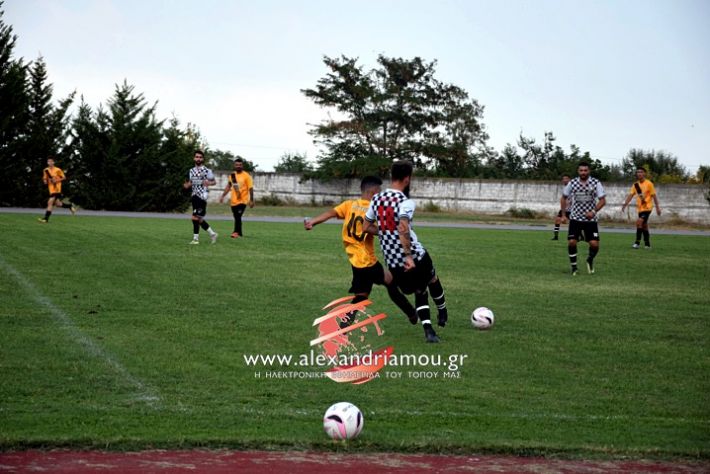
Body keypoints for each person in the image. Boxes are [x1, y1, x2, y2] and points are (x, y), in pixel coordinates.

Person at [304, 176, 417, 327]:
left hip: (355, 260)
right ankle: (411, 313)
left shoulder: (349, 205)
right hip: (367, 260)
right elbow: (380, 229)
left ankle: (344, 326)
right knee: (390, 282)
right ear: (374, 192)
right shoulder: (374, 209)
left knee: (362, 296)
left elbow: (331, 213)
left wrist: (312, 221)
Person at [363, 161, 447, 343]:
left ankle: (430, 330)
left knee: (418, 290)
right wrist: (408, 256)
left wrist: (385, 232)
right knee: (430, 280)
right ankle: (442, 311)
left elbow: (366, 226)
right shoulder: (405, 202)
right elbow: (403, 227)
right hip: (414, 254)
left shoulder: (376, 199)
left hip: (392, 261)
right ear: (407, 179)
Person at [560, 161, 606, 276]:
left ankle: (590, 260)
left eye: (585, 170)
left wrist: (593, 211)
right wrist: (564, 215)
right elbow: (563, 198)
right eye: (581, 170)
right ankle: (574, 268)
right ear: (578, 171)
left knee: (594, 245)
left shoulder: (596, 183)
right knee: (571, 242)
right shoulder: (572, 183)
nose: (583, 172)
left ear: (589, 171)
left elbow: (602, 200)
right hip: (575, 218)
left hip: (590, 220)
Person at [620, 167, 661, 249]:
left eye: (641, 172)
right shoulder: (635, 185)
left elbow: (654, 196)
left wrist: (657, 208)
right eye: (638, 172)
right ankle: (647, 244)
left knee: (639, 222)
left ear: (644, 173)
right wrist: (625, 205)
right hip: (640, 209)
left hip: (647, 208)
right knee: (644, 226)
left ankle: (637, 243)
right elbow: (631, 195)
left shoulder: (649, 183)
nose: (639, 174)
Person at [183, 150, 218, 244]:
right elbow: (190, 182)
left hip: (202, 197)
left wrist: (209, 183)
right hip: (194, 196)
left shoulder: (207, 171)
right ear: (194, 158)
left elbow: (214, 182)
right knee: (199, 219)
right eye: (197, 157)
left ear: (203, 159)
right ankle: (212, 234)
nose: (198, 159)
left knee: (194, 218)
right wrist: (187, 185)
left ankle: (195, 239)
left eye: (200, 157)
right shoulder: (191, 171)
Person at [219, 157, 254, 238]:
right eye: (237, 165)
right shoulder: (232, 175)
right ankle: (240, 233)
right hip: (234, 201)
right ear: (234, 166)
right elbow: (229, 186)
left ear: (242, 166)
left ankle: (235, 232)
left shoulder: (246, 176)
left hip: (243, 201)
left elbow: (250, 188)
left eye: (240, 165)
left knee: (238, 216)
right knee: (236, 217)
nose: (238, 166)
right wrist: (223, 196)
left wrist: (251, 200)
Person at [38, 156, 76, 223]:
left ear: (53, 162)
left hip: (57, 189)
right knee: (58, 204)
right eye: (48, 161)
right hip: (51, 189)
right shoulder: (45, 170)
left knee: (49, 202)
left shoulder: (58, 170)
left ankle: (45, 219)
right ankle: (70, 206)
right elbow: (44, 178)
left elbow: (64, 178)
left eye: (51, 161)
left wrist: (57, 180)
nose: (49, 162)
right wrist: (45, 181)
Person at [551, 174, 571, 240]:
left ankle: (580, 236)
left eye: (566, 178)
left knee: (575, 223)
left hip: (572, 209)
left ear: (569, 179)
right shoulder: (564, 188)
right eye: (563, 179)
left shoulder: (571, 187)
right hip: (564, 209)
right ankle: (556, 237)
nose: (565, 180)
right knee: (557, 220)